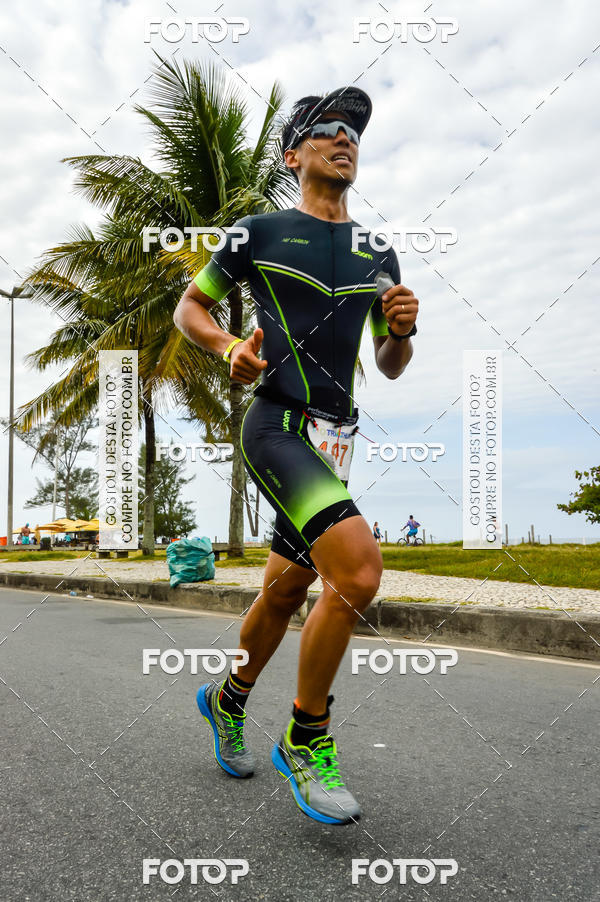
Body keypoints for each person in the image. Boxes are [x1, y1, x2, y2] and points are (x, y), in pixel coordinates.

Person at [174, 86, 419, 825]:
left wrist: (402, 331)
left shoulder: (379, 252)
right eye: (328, 130)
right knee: (358, 571)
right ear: (294, 154)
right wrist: (227, 349)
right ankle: (306, 739)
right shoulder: (259, 233)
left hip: (336, 440)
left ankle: (227, 700)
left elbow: (392, 361)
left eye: (354, 132)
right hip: (276, 426)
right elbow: (191, 307)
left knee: (284, 593)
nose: (345, 139)